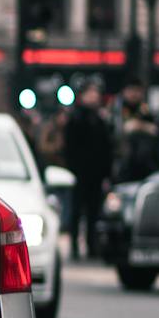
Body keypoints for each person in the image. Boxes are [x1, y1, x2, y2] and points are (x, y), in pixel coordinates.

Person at [61, 85, 113, 259]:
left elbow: (107, 147)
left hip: (96, 174)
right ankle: (75, 245)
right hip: (79, 173)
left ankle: (92, 245)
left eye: (95, 94)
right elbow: (69, 147)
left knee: (94, 211)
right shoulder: (76, 118)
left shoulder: (101, 119)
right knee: (77, 210)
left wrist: (106, 172)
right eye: (89, 94)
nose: (92, 97)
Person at [114, 91, 159, 184]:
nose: (134, 94)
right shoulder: (117, 111)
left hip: (149, 170)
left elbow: (154, 130)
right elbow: (126, 128)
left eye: (137, 90)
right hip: (128, 171)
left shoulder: (146, 111)